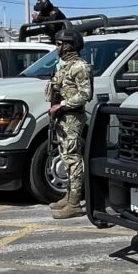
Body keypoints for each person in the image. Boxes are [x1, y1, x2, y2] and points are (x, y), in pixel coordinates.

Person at [45, 28, 92, 219]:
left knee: (73, 159)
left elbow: (85, 94)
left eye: (59, 44)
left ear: (69, 45)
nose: (57, 47)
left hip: (72, 117)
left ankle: (74, 204)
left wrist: (62, 105)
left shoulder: (80, 67)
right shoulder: (65, 66)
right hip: (62, 118)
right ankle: (69, 196)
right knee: (66, 157)